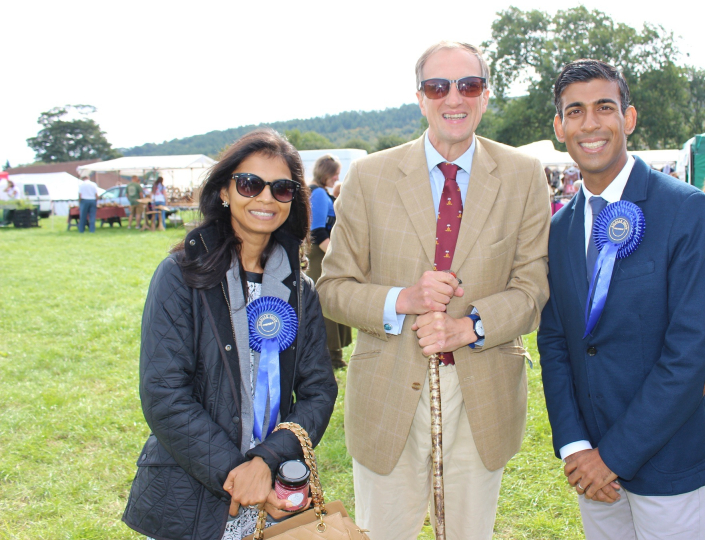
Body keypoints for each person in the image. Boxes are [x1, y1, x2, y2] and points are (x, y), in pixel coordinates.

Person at [316, 41, 550, 540]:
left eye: (468, 85)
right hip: (387, 394)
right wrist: (402, 300)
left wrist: (470, 327)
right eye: (437, 86)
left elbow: (533, 289)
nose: (454, 98)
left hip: (481, 393)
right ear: (420, 98)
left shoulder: (524, 175)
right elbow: (332, 288)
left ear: (486, 95)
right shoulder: (370, 176)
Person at [538, 59, 705, 540]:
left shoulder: (686, 210)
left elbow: (690, 353)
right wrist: (575, 446)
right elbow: (555, 342)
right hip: (589, 465)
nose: (591, 123)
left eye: (605, 107)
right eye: (575, 112)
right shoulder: (558, 229)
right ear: (560, 127)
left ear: (629, 118)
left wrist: (612, 458)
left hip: (666, 457)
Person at [122, 129, 338, 540]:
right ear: (225, 190)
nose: (265, 198)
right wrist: (237, 473)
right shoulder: (181, 275)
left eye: (282, 188)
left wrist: (267, 461)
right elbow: (164, 393)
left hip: (275, 488)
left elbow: (318, 392)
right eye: (250, 183)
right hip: (193, 494)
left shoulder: (300, 290)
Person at [306, 154, 352, 369]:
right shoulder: (317, 194)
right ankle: (329, 356)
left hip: (325, 252)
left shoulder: (320, 193)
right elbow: (316, 231)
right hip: (320, 254)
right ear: (325, 173)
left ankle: (335, 353)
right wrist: (336, 254)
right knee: (325, 303)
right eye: (334, 173)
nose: (337, 177)